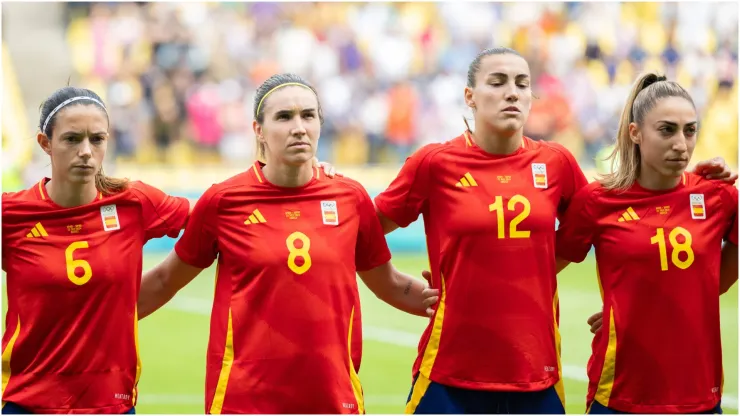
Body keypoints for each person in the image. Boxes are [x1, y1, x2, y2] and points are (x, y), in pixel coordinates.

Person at [371, 47, 736, 414]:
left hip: (537, 373)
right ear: (470, 96)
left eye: (522, 84)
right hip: (447, 371)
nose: (511, 92)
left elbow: (618, 220)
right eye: (497, 82)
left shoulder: (556, 164)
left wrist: (631, 307)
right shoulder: (434, 163)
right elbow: (359, 232)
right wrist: (400, 289)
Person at [136, 73, 440, 414]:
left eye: (308, 116)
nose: (299, 127)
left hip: (333, 399)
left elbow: (391, 284)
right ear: (258, 131)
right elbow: (165, 280)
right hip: (244, 401)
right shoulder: (224, 201)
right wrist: (90, 318)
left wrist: (449, 304)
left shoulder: (349, 197)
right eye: (284, 117)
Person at [1, 87, 192, 414]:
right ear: (45, 144)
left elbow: (214, 217)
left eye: (97, 139)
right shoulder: (11, 214)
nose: (86, 151)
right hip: (27, 403)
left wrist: (304, 185)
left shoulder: (134, 201)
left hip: (111, 404)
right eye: (72, 139)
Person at [555, 73, 737, 414]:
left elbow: (715, 280)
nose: (681, 143)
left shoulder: (718, 196)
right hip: (621, 396)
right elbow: (539, 269)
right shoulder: (597, 201)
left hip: (698, 395)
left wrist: (647, 305)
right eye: (666, 130)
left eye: (690, 130)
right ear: (635, 133)